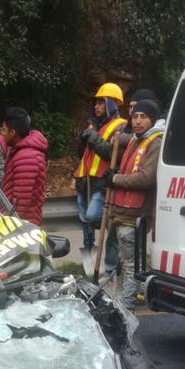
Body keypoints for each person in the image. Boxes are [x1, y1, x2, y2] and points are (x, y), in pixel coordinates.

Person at [105, 99, 164, 308]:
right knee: (127, 261)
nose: (138, 121)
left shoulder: (155, 143)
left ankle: (126, 306)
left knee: (131, 264)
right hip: (122, 212)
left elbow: (146, 178)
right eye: (135, 117)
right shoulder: (135, 140)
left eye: (143, 117)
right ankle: (128, 299)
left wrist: (115, 179)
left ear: (152, 120)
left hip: (136, 214)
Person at [73, 83, 127, 251]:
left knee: (92, 216)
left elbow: (112, 153)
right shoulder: (94, 126)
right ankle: (89, 252)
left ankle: (114, 243)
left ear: (111, 104)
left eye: (100, 103)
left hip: (101, 182)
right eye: (95, 103)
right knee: (84, 219)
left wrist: (92, 137)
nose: (96, 107)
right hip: (84, 180)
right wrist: (83, 139)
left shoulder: (121, 126)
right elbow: (81, 154)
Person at [0, 107, 48, 226]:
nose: (2, 134)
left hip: (21, 225)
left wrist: (8, 225)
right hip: (20, 222)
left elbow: (21, 202)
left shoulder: (26, 158)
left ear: (13, 132)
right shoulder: (21, 152)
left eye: (4, 130)